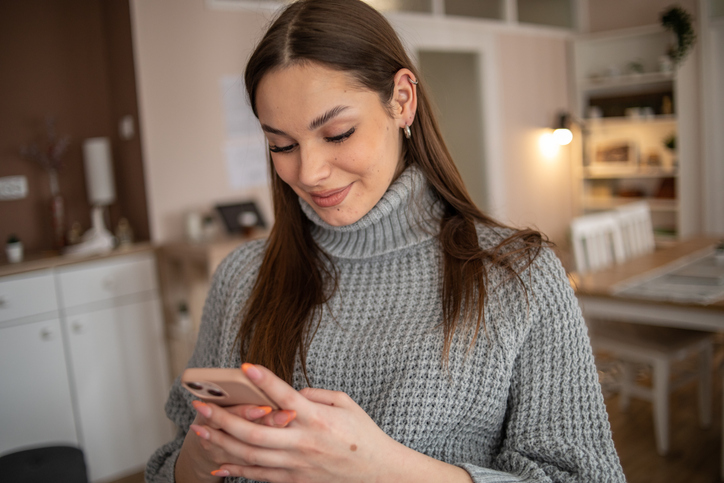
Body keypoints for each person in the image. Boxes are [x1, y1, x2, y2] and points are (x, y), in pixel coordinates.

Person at [147, 0, 626, 481]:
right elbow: (170, 465)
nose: (309, 173)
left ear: (402, 100)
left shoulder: (517, 275)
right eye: (282, 145)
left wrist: (382, 469)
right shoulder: (242, 277)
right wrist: (199, 461)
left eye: (337, 134)